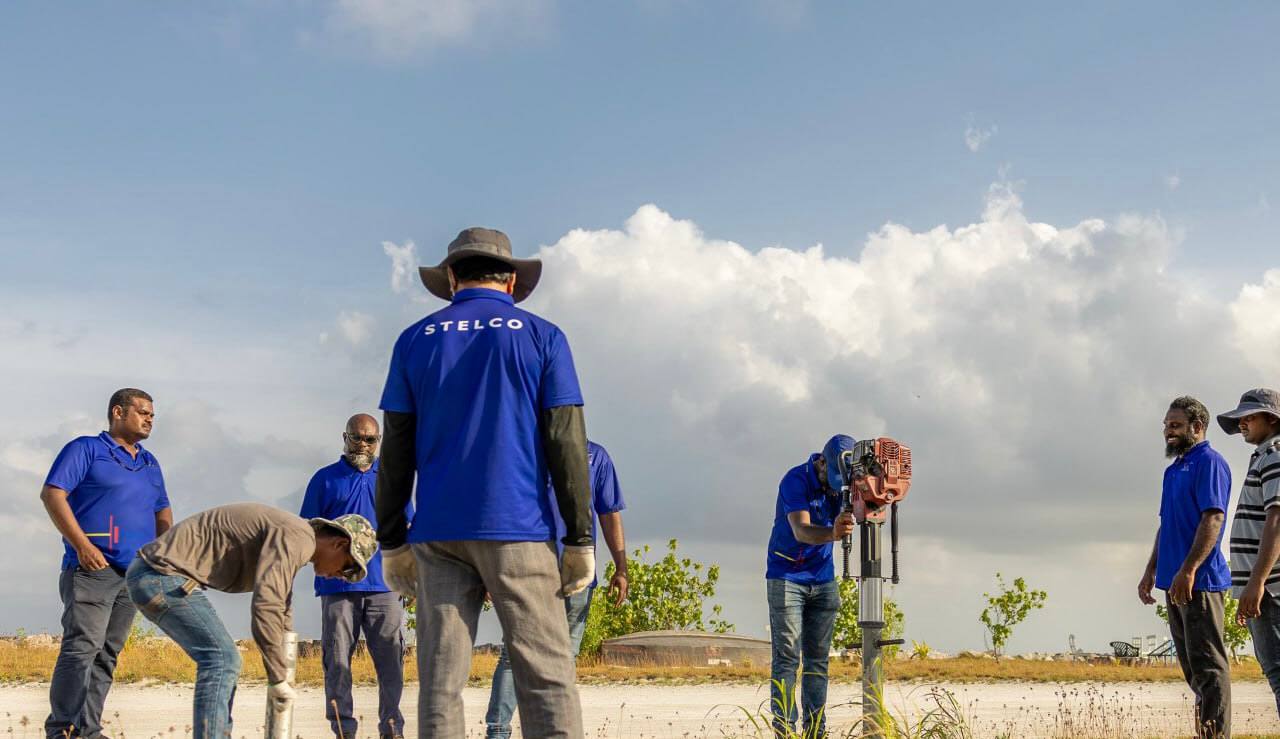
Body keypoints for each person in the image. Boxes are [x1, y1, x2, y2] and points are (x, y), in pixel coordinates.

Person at [375, 226, 595, 739]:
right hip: (516, 526)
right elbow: (566, 440)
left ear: (451, 278)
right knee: (546, 676)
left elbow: (396, 448)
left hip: (438, 532)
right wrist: (580, 536)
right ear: (514, 280)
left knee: (440, 681)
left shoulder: (413, 340)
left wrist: (391, 539)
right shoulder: (544, 336)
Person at [125, 503, 377, 739]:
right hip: (160, 576)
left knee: (222, 659)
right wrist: (278, 678)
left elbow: (281, 605)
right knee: (222, 658)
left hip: (156, 576)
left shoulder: (297, 538)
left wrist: (285, 660)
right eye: (347, 567)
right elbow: (265, 606)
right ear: (340, 543)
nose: (340, 576)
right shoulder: (297, 537)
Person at [40, 388, 173, 739]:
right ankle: (62, 731)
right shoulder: (86, 449)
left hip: (133, 574)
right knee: (82, 648)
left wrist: (160, 553)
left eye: (152, 415)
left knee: (107, 654)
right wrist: (81, 544)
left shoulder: (149, 462)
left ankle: (89, 730)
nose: (149, 419)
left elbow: (162, 509)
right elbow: (53, 493)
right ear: (118, 412)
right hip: (91, 570)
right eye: (143, 412)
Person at [484, 440, 628, 739]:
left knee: (564, 657)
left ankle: (551, 730)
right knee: (515, 653)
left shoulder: (596, 456)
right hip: (526, 570)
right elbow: (498, 508)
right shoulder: (520, 450)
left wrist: (621, 567)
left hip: (578, 574)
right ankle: (497, 731)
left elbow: (609, 512)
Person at [300, 413, 412, 739]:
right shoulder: (324, 479)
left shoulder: (393, 479)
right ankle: (343, 731)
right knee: (336, 663)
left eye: (370, 439)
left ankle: (392, 730)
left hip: (386, 587)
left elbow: (409, 529)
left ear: (379, 442)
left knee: (391, 664)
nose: (362, 444)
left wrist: (413, 577)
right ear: (344, 437)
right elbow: (306, 531)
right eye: (356, 437)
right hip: (337, 585)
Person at [1138, 396, 1232, 738]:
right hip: (1173, 583)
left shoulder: (1210, 463)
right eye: (1166, 426)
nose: (1168, 432)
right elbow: (1166, 525)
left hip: (1201, 583)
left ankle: (1215, 735)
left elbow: (1214, 518)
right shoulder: (1172, 470)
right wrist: (1151, 571)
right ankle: (1205, 731)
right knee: (1192, 670)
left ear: (1198, 427)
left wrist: (1189, 569)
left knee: (1209, 668)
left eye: (1175, 426)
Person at [764, 434, 856, 737]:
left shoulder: (849, 482)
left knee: (818, 660)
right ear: (820, 462)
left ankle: (816, 730)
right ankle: (785, 730)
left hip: (823, 578)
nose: (832, 488)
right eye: (829, 479)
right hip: (787, 576)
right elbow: (802, 530)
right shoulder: (795, 480)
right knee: (787, 657)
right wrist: (833, 532)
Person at [1220, 389, 1280, 718]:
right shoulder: (1262, 455)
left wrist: (1257, 584)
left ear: (1271, 418)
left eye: (1250, 416)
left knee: (1278, 673)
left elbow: (1277, 519)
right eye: (1240, 418)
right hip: (1261, 589)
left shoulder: (1274, 454)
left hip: (1271, 588)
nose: (1242, 423)